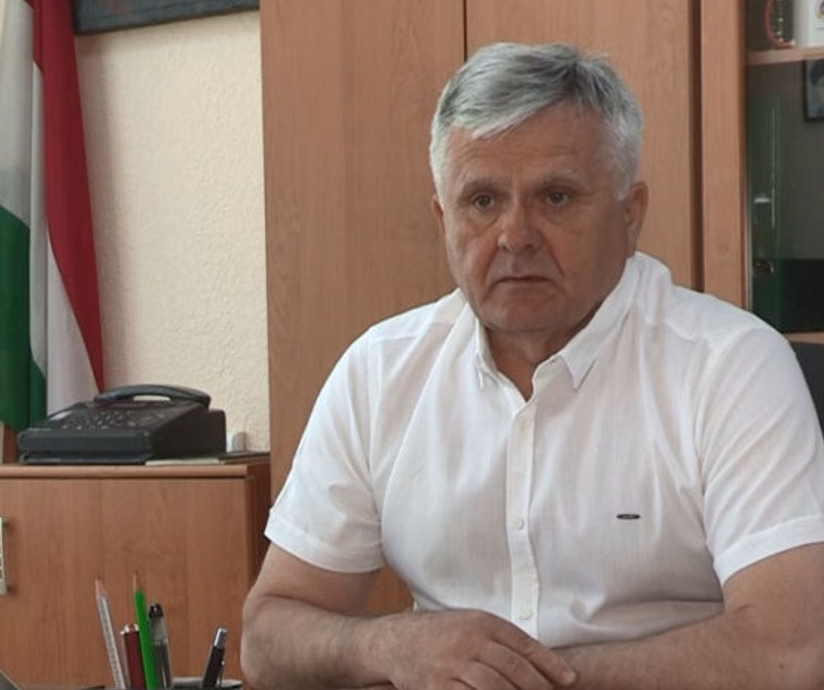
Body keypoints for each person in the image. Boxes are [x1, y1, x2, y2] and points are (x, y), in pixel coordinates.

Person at [241, 42, 824, 690]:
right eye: (482, 201)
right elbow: (268, 638)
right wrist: (389, 647)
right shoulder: (380, 373)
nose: (515, 236)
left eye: (556, 197)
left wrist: (507, 679)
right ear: (443, 219)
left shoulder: (731, 367)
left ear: (630, 215)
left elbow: (789, 652)